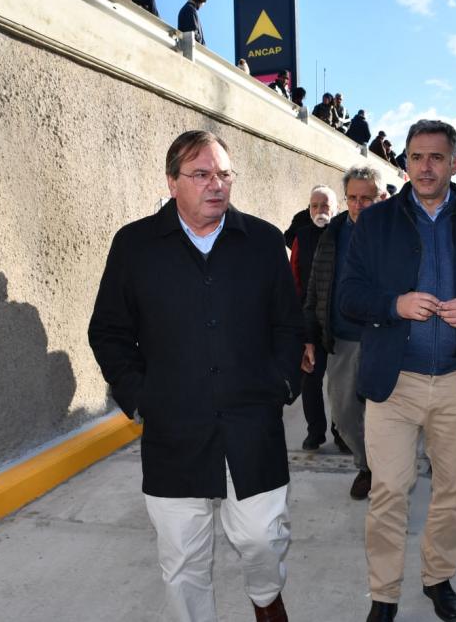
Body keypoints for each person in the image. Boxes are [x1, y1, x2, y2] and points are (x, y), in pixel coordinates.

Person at [88, 130, 303, 622]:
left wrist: (282, 383)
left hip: (252, 424)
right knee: (183, 560)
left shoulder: (264, 241)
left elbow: (289, 324)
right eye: (201, 174)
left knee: (262, 538)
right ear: (172, 182)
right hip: (174, 432)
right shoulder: (135, 246)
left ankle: (267, 600)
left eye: (224, 174)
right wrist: (142, 399)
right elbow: (109, 332)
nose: (216, 185)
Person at [338, 120, 456, 622]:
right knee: (389, 491)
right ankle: (384, 593)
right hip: (394, 385)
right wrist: (394, 304)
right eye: (416, 157)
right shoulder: (375, 223)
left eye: (436, 158)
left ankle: (438, 578)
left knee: (452, 492)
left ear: (453, 164)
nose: (425, 167)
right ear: (404, 162)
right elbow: (348, 296)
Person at [303, 166, 383, 500]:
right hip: (343, 340)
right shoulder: (333, 232)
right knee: (345, 414)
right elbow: (316, 285)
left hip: (385, 338)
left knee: (388, 416)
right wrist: (309, 335)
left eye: (367, 198)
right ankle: (368, 465)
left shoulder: (396, 232)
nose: (359, 205)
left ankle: (382, 472)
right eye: (352, 198)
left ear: (379, 198)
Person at [290, 186, 338, 451]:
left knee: (342, 386)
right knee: (310, 380)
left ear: (335, 207)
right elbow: (294, 279)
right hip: (311, 323)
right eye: (314, 206)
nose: (320, 211)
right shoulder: (302, 237)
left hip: (340, 324)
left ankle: (340, 431)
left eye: (325, 205)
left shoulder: (344, 233)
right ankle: (315, 431)